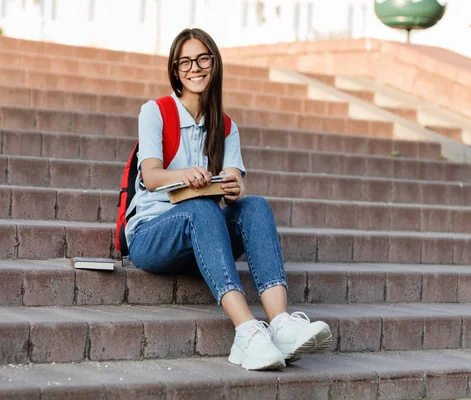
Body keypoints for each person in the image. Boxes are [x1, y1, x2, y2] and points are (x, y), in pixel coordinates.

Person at [125, 28, 332, 371]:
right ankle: (247, 332)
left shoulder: (225, 127)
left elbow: (234, 178)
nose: (195, 67)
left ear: (215, 63)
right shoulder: (156, 112)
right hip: (152, 237)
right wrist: (185, 175)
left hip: (204, 240)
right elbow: (150, 175)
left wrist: (233, 187)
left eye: (203, 58)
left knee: (254, 206)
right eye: (185, 62)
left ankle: (280, 324)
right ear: (175, 71)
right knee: (199, 206)